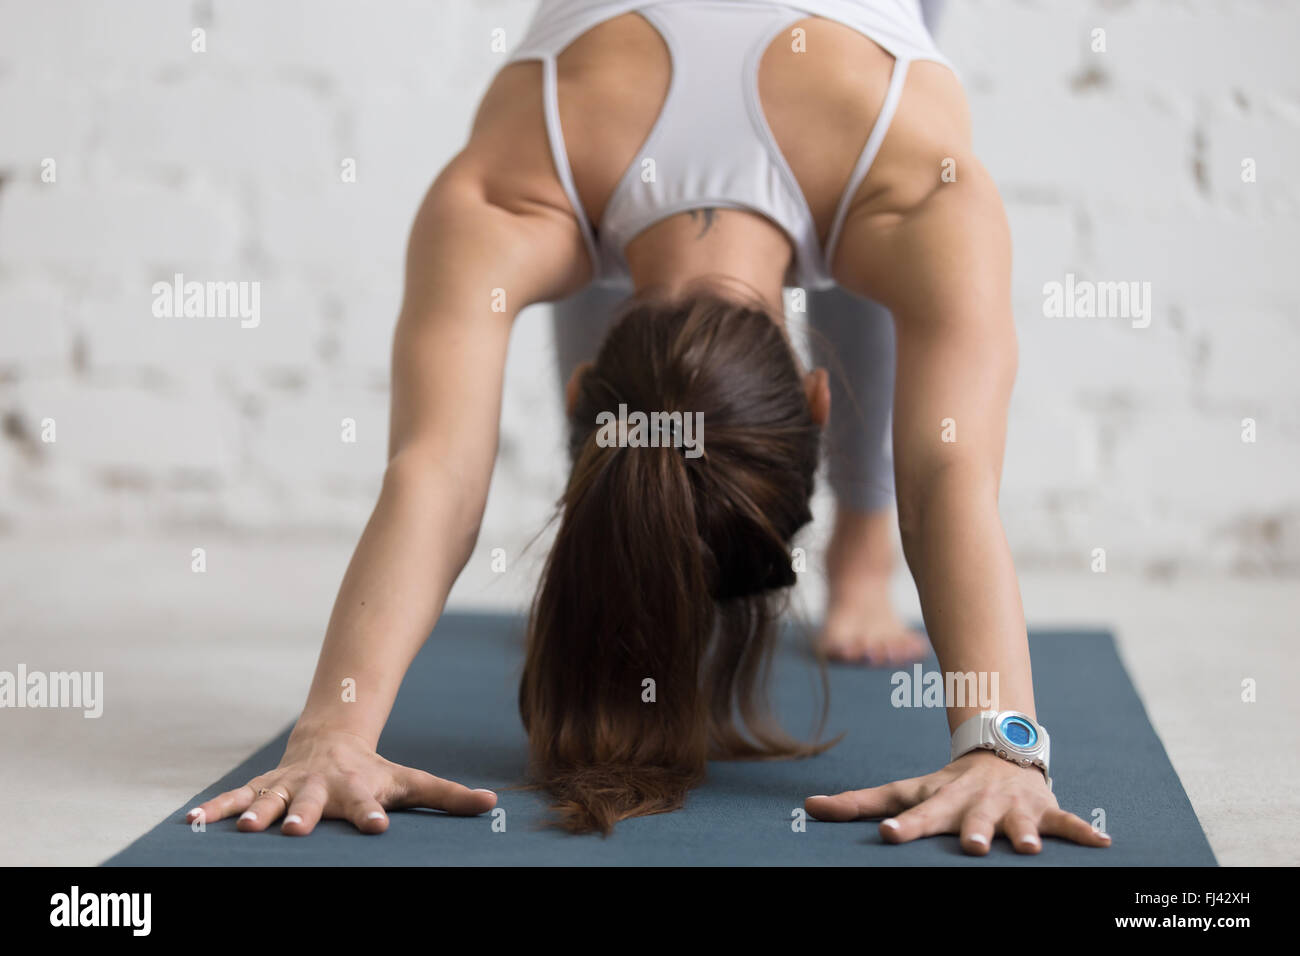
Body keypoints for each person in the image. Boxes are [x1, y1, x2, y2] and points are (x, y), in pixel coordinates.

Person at [187, 0, 1112, 855]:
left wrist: (1004, 747)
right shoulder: (520, 186)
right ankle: (819, 550)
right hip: (788, 136)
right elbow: (946, 470)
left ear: (820, 406)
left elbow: (439, 472)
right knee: (904, 267)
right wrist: (331, 732)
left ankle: (859, 560)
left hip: (854, 153)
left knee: (904, 263)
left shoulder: (918, 191)